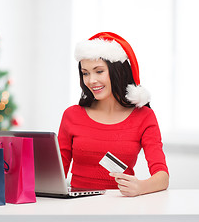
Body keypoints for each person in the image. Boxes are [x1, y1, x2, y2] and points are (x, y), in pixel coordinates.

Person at [58, 32, 169, 197]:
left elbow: (162, 177)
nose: (91, 80)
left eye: (99, 71)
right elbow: (57, 172)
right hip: (78, 208)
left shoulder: (144, 117)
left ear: (118, 72)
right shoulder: (72, 115)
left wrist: (140, 187)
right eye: (85, 73)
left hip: (122, 208)